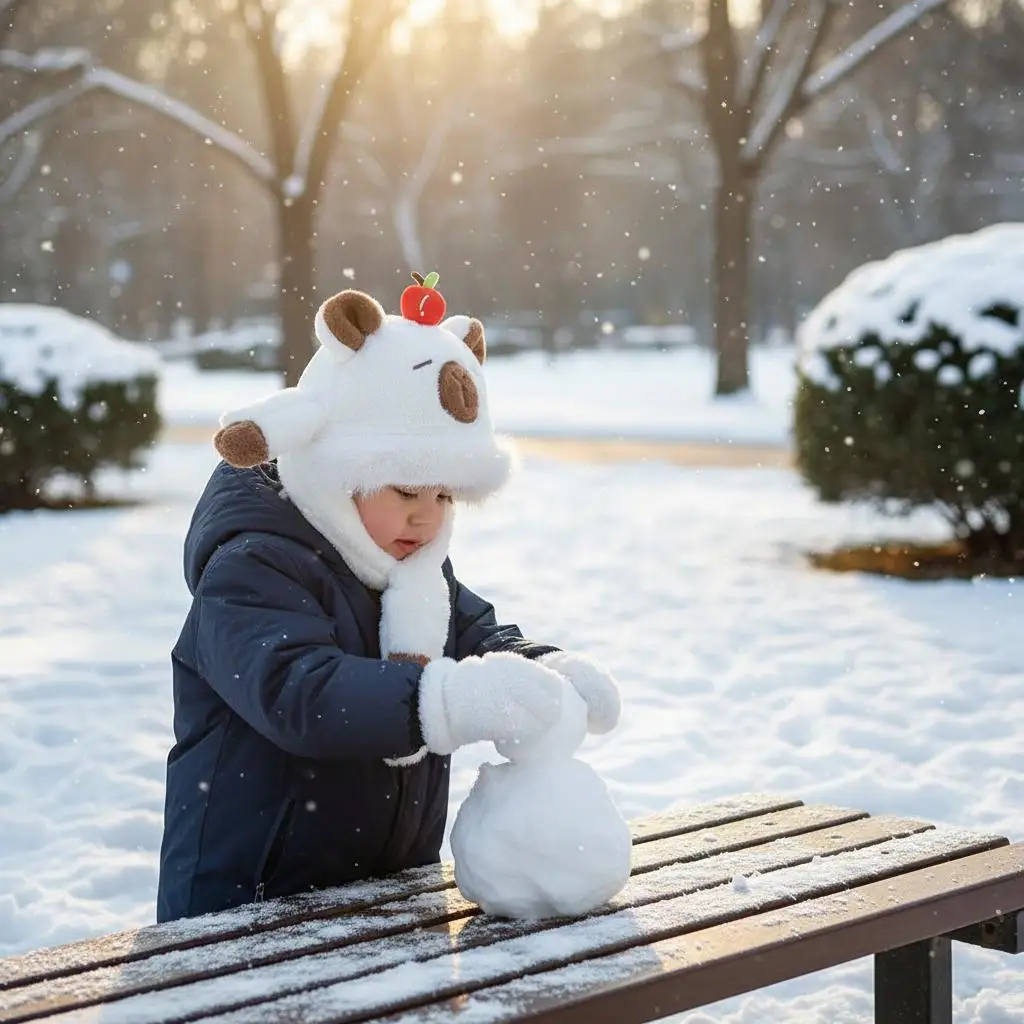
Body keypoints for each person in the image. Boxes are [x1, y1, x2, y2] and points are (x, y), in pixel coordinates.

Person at [156, 280, 622, 922]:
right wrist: (447, 702)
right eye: (406, 489)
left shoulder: (408, 565)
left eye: (445, 497)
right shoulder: (252, 566)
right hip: (250, 901)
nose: (428, 518)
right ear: (337, 469)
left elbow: (476, 633)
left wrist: (547, 670)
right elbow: (301, 695)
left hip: (386, 893)